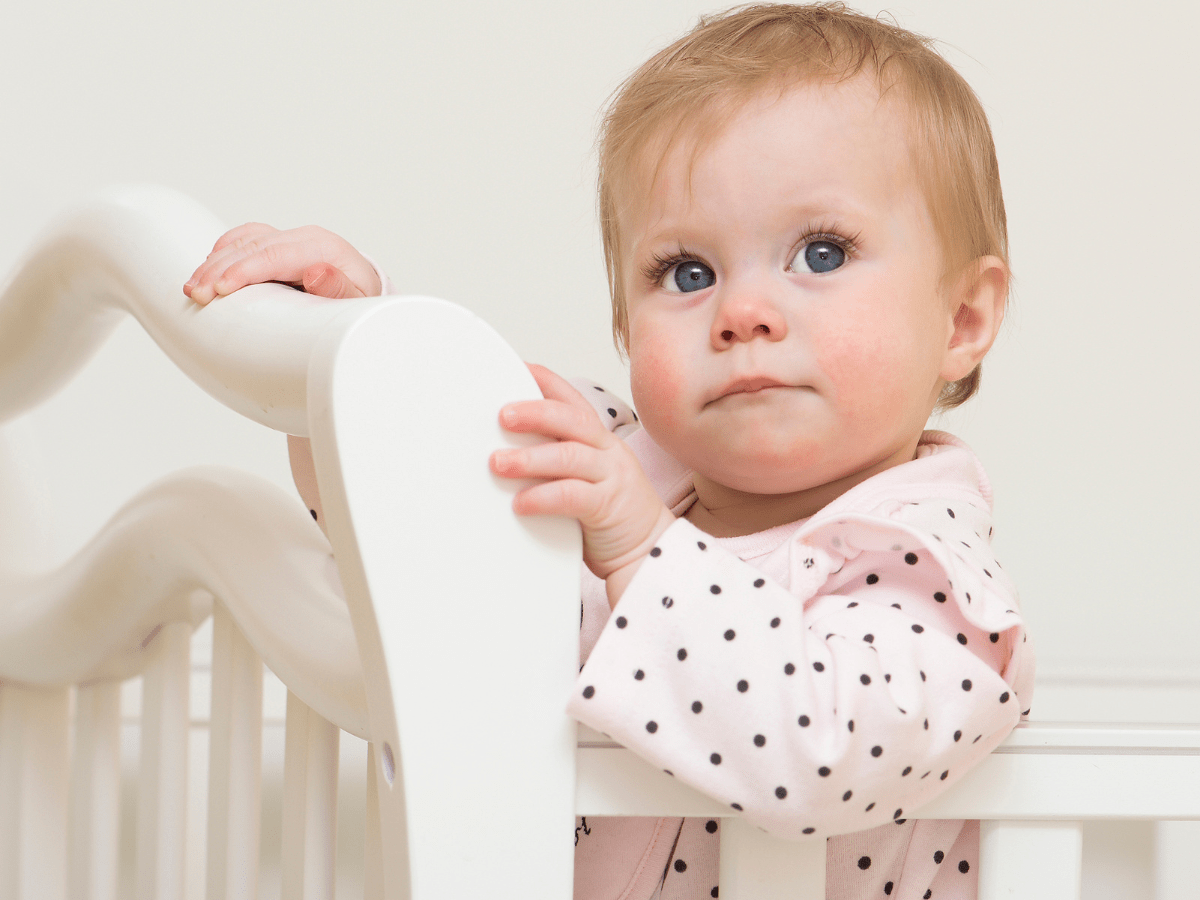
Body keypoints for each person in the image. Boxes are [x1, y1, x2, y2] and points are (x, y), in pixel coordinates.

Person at [184, 4, 1033, 897]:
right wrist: (356, 331)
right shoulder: (610, 465)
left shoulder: (926, 574)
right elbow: (405, 501)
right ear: (627, 328)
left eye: (821, 253)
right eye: (688, 273)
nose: (744, 312)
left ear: (963, 320)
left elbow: (818, 753)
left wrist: (638, 549)